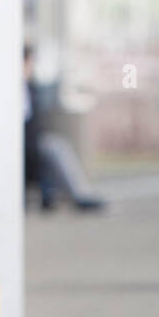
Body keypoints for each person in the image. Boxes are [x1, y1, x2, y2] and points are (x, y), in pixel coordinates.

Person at [24, 44, 107, 212]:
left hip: (31, 145)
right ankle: (78, 195)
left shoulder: (30, 89)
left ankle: (77, 194)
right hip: (18, 146)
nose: (30, 68)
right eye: (28, 62)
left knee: (53, 145)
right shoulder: (5, 90)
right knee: (52, 147)